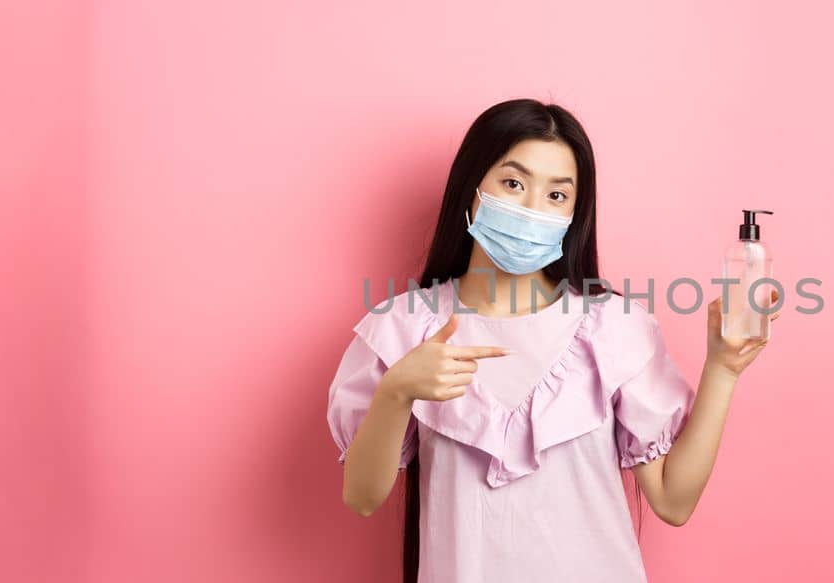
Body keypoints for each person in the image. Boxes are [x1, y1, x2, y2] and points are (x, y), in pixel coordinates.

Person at [327, 98, 778, 583]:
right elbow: (362, 496)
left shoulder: (614, 327)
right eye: (514, 183)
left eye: (556, 196)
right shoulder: (404, 326)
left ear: (574, 213)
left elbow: (673, 500)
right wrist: (397, 391)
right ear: (471, 187)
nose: (532, 209)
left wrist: (724, 370)